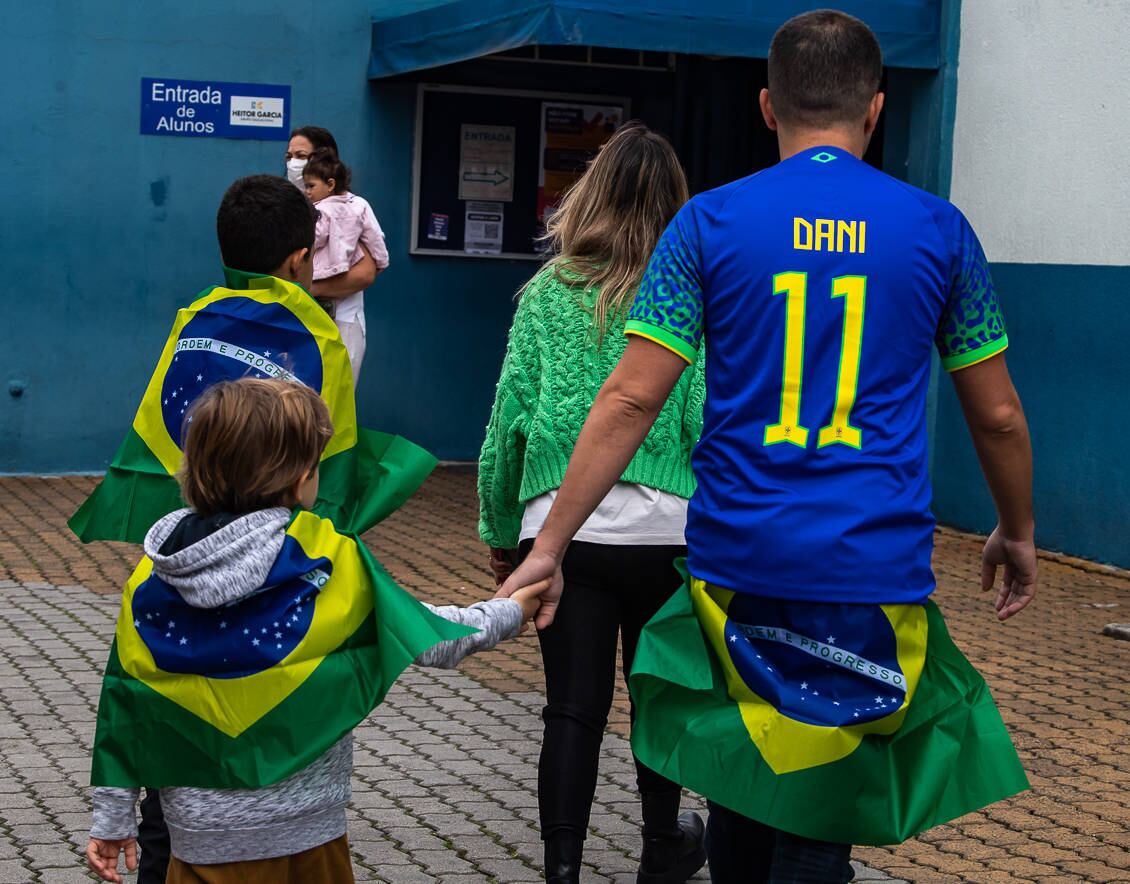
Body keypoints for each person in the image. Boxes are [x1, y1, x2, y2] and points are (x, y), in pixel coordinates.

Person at [499, 11, 1036, 884]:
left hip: (735, 565)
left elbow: (633, 395)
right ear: (875, 109)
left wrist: (550, 545)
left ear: (765, 105)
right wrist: (1016, 527)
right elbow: (1000, 417)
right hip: (868, 568)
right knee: (823, 808)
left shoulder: (707, 225)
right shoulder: (939, 231)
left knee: (745, 781)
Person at [86, 378, 546, 884]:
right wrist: (509, 611)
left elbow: (125, 700)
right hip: (310, 828)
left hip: (200, 836)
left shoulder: (152, 577)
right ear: (301, 476)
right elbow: (428, 634)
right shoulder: (326, 560)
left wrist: (112, 818)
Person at [478, 123, 707, 884]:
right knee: (658, 705)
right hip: (669, 534)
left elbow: (507, 421)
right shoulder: (693, 294)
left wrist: (502, 531)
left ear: (592, 193)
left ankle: (563, 868)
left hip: (563, 534)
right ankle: (661, 847)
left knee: (572, 711)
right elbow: (706, 417)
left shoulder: (547, 293)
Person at [303, 148, 391, 383]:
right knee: (342, 382)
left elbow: (312, 238)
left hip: (327, 288)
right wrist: (382, 262)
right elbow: (375, 239)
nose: (307, 191)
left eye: (310, 185)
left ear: (330, 183)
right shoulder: (359, 205)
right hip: (337, 284)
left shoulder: (320, 210)